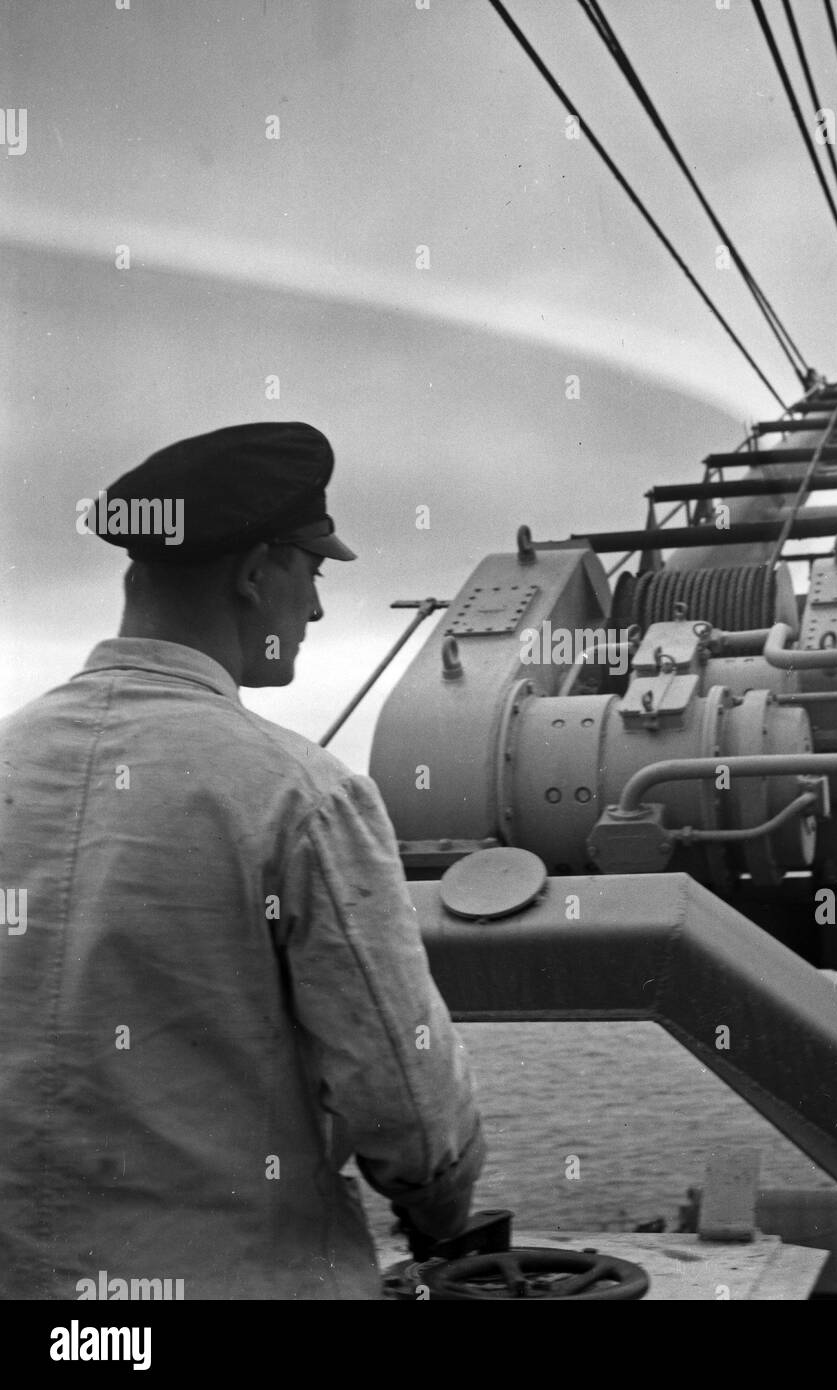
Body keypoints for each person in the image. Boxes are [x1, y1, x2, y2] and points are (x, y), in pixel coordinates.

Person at [0, 422, 485, 1299]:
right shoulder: (303, 798)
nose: (319, 608)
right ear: (255, 572)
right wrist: (441, 1214)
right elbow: (410, 1115)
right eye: (314, 570)